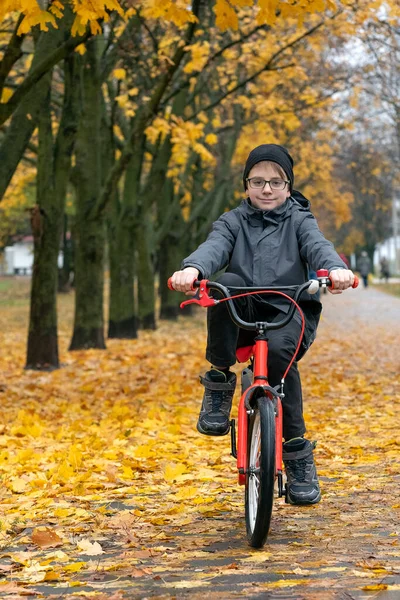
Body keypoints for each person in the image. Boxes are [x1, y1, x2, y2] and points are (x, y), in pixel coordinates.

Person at [169, 144, 355, 506]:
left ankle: (297, 455)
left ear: (288, 186)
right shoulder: (232, 221)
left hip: (290, 305)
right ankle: (219, 383)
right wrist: (193, 270)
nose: (266, 189)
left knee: (282, 367)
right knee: (225, 284)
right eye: (258, 181)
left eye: (275, 182)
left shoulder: (301, 220)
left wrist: (334, 270)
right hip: (244, 304)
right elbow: (214, 248)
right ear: (246, 185)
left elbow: (318, 246)